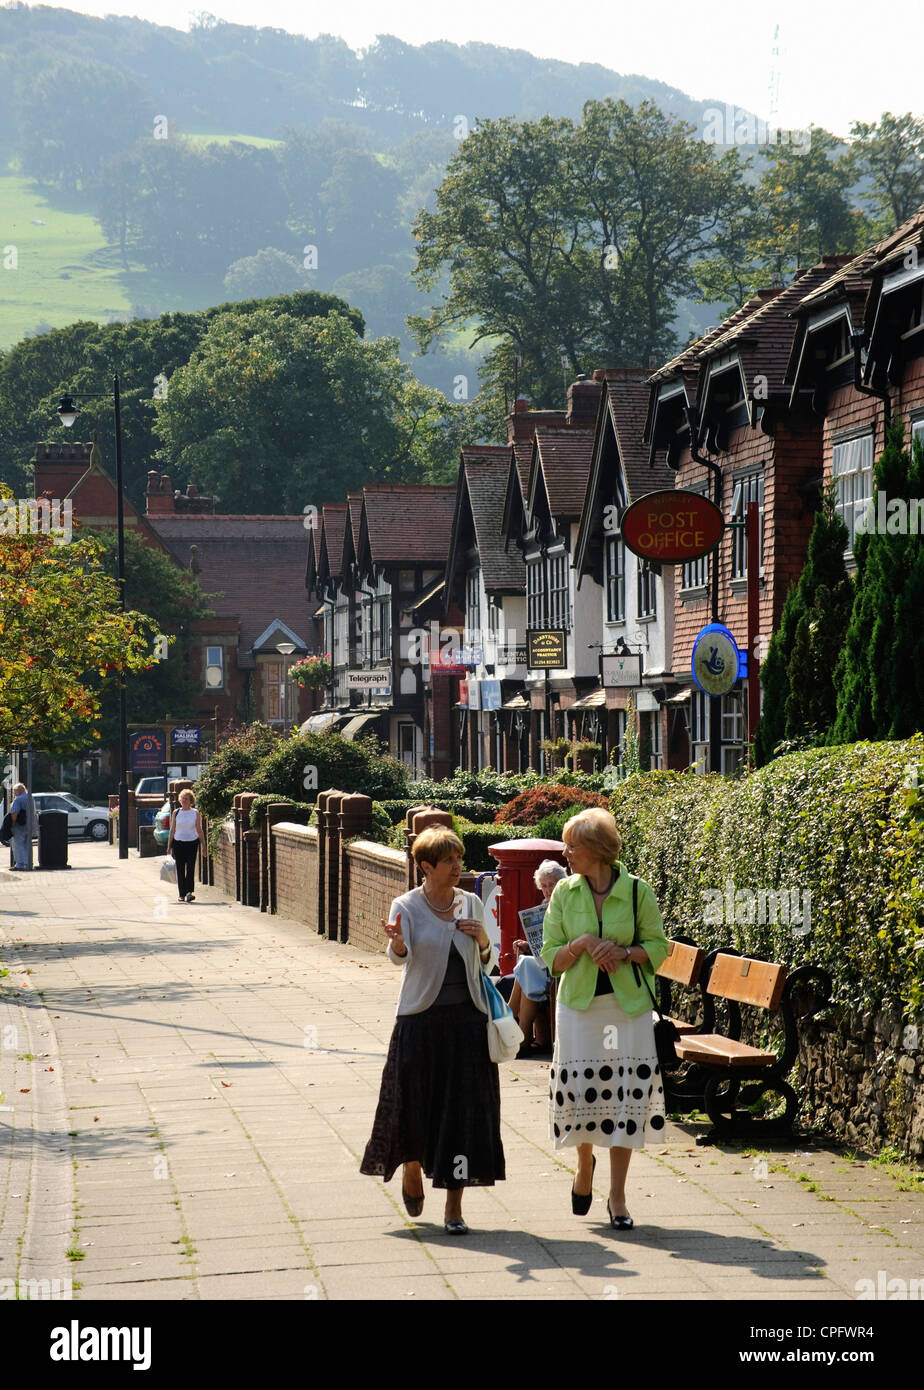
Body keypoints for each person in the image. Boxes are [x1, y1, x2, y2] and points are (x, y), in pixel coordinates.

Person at [360, 825, 505, 1234]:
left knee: (463, 1115)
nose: (458, 866)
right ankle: (411, 1167)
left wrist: (481, 943)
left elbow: (489, 963)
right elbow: (397, 956)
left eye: (459, 859)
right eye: (449, 861)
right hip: (419, 1023)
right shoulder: (405, 905)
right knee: (415, 1106)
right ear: (426, 866)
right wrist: (400, 945)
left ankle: (454, 1209)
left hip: (467, 1025)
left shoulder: (472, 903)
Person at [540, 807, 669, 1230]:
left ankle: (617, 1195)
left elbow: (658, 947)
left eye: (571, 846)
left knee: (624, 1099)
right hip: (577, 1009)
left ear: (596, 851)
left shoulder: (637, 891)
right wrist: (579, 944)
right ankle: (583, 1166)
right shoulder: (564, 893)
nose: (565, 853)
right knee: (579, 1096)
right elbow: (551, 957)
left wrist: (624, 952)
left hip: (627, 1010)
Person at [509, 859, 566, 1054]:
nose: (548, 890)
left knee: (526, 967)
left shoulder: (568, 903)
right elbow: (541, 944)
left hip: (562, 962)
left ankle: (513, 1024)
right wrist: (526, 945)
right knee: (525, 964)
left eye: (552, 885)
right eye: (544, 886)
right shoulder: (544, 905)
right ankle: (520, 1032)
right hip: (546, 961)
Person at [167, 789, 206, 903]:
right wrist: (169, 846)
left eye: (186, 799)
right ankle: (181, 894)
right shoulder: (176, 812)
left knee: (190, 868)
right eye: (182, 798)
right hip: (178, 843)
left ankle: (189, 892)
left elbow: (199, 830)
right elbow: (172, 829)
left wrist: (204, 846)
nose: (184, 801)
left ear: (191, 801)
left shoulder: (195, 813)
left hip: (192, 843)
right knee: (180, 869)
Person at [8, 783, 31, 871]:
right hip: (29, 825)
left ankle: (20, 865)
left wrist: (13, 823)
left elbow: (14, 813)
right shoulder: (30, 798)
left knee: (18, 845)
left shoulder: (18, 800)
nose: (14, 793)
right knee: (27, 845)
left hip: (19, 826)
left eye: (14, 791)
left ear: (19, 791)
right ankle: (28, 863)